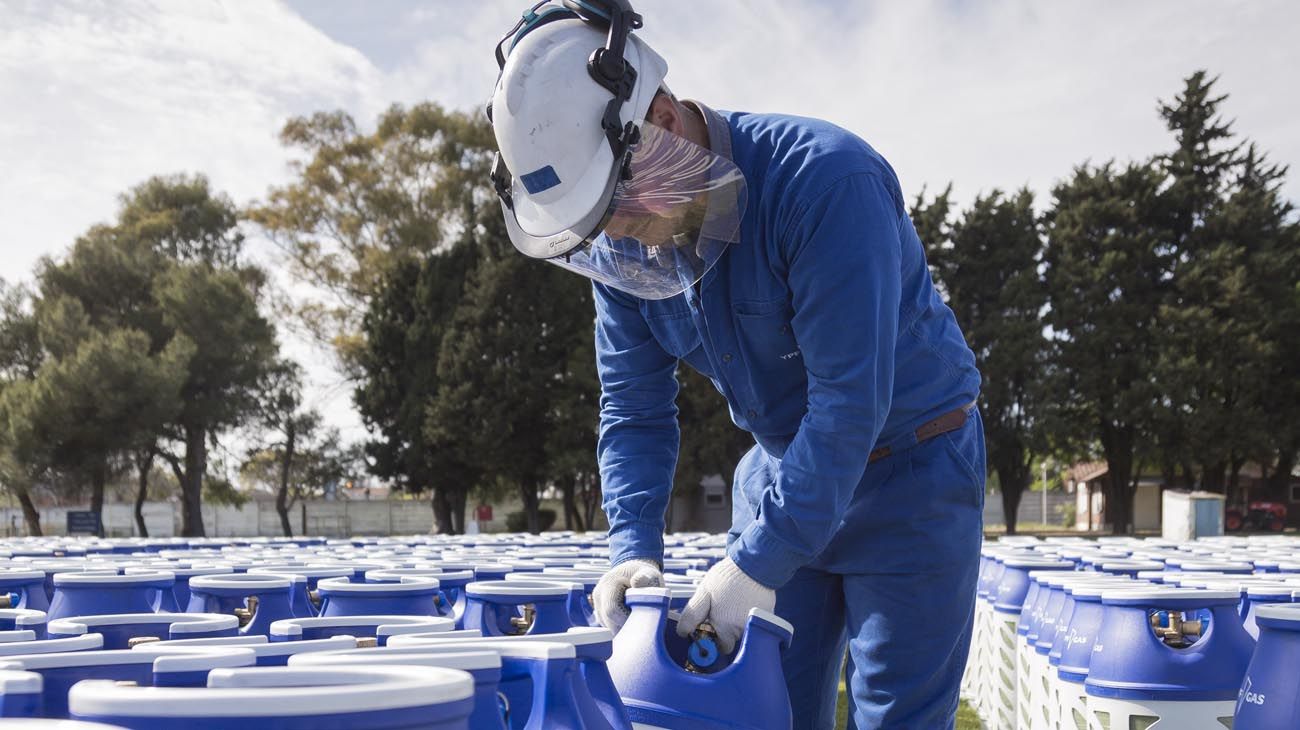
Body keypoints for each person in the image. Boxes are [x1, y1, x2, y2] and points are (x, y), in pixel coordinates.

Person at [486, 2, 984, 728]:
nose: (620, 236)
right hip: (786, 470)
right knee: (765, 710)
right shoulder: (626, 251)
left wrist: (756, 565)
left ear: (656, 116)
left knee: (897, 716)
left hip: (914, 469)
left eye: (619, 205)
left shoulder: (823, 184)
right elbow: (633, 408)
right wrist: (633, 547)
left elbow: (849, 403)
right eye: (598, 225)